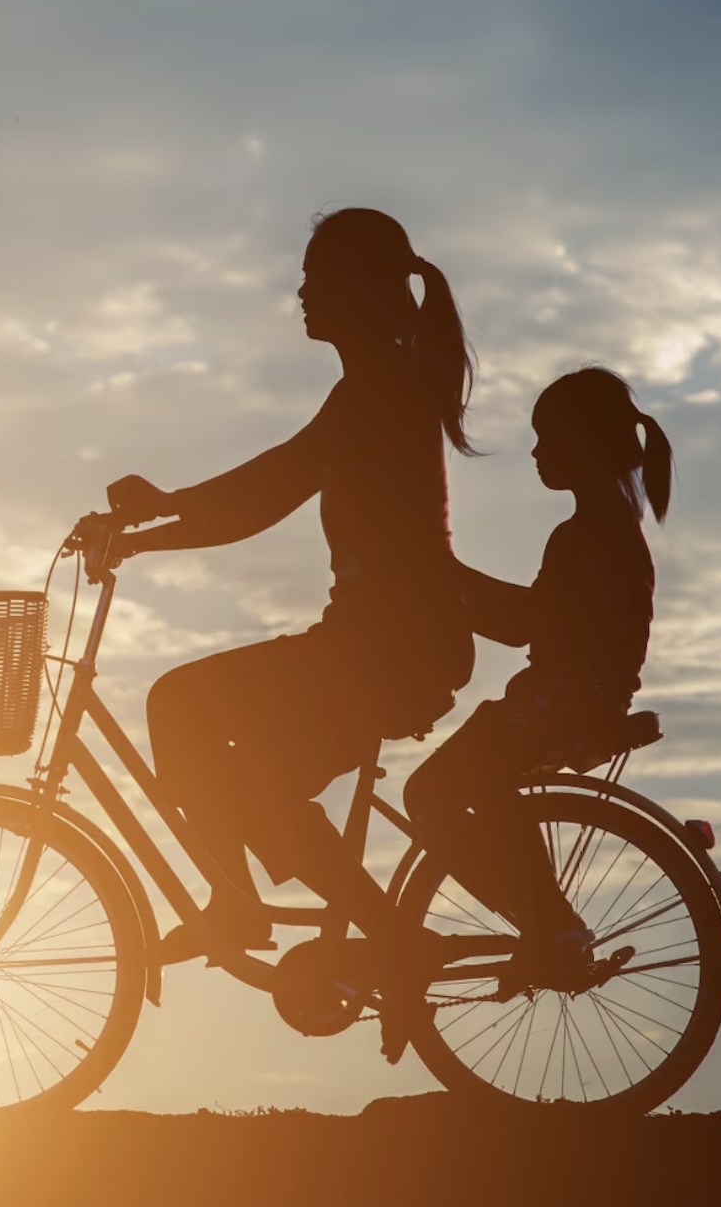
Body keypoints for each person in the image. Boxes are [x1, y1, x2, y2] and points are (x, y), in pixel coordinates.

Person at [103, 208, 477, 971]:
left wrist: (154, 518)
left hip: (387, 652)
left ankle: (301, 921)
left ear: (358, 292)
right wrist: (151, 524)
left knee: (189, 716)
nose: (301, 294)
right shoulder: (373, 389)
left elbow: (267, 488)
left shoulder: (381, 393)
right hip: (373, 646)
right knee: (218, 746)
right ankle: (247, 909)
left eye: (315, 280)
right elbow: (266, 492)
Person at [402, 366, 674, 991]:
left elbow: (525, 626)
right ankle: (543, 918)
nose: (536, 451)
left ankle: (544, 920)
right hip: (570, 701)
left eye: (548, 437)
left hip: (562, 705)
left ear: (586, 444)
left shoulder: (589, 535)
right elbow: (534, 623)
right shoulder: (606, 529)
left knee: (429, 795)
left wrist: (444, 577)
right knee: (469, 786)